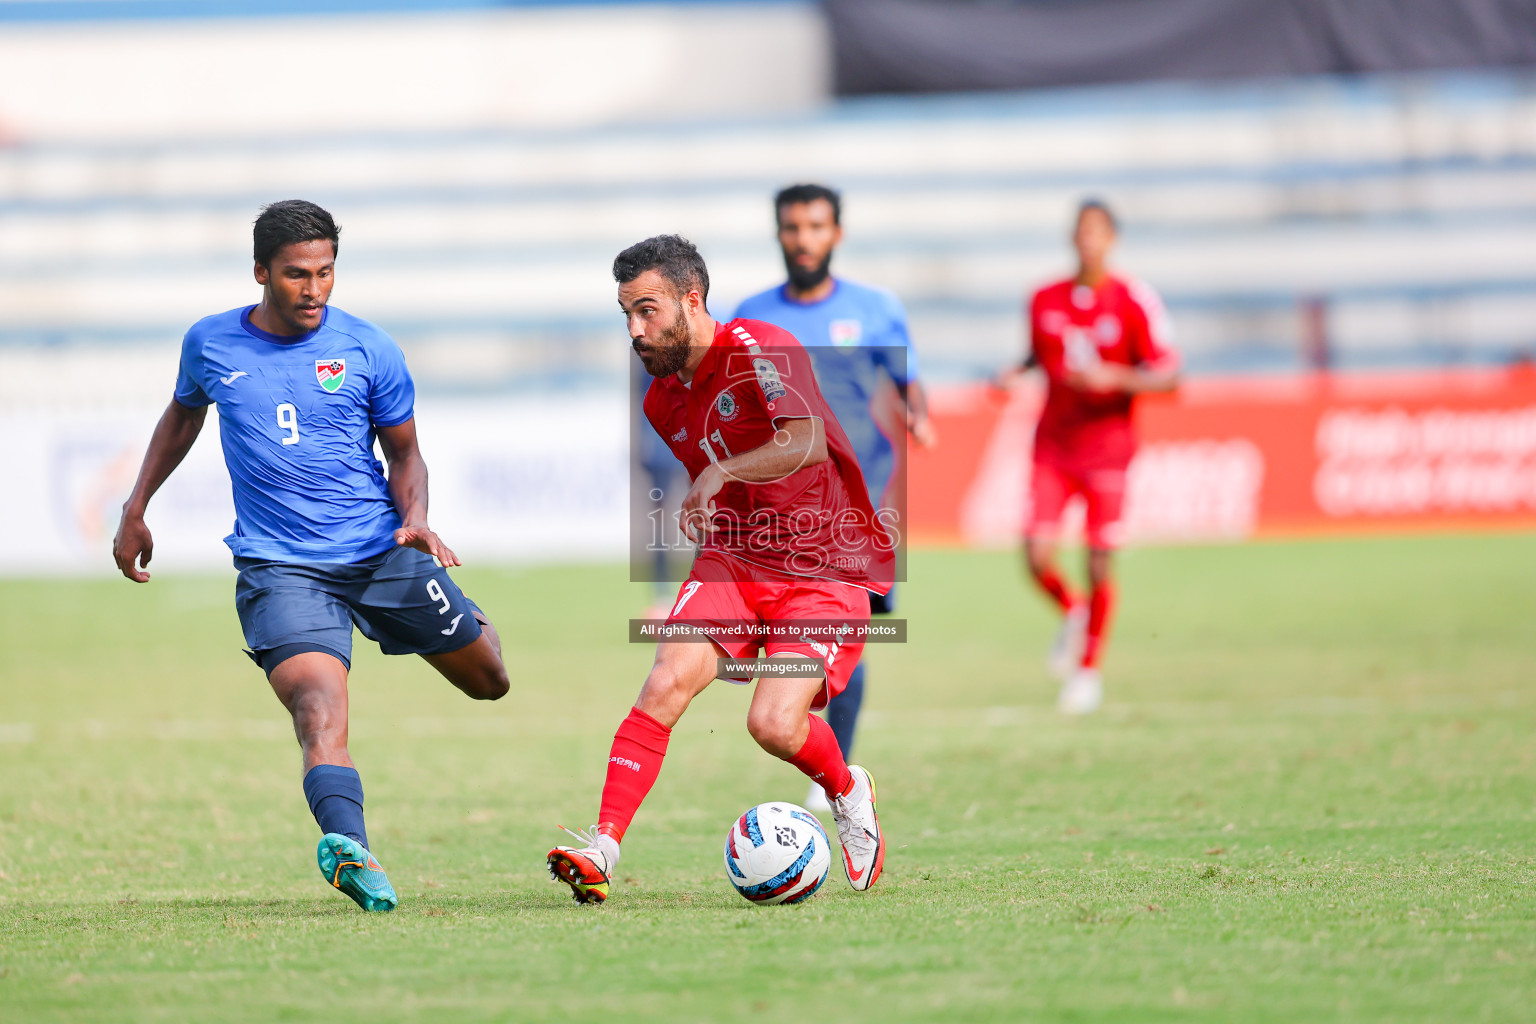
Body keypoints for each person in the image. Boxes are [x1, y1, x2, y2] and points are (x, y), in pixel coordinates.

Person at [111, 200, 510, 912]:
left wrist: (415, 519)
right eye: (297, 274)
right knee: (317, 709)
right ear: (262, 271)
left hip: (379, 554)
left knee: (490, 681)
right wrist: (136, 504)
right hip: (281, 568)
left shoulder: (369, 348)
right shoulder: (210, 343)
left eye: (326, 273)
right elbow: (183, 413)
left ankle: (465, 619)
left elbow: (407, 453)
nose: (314, 289)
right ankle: (352, 850)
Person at [546, 235, 892, 903]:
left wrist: (719, 475)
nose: (635, 331)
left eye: (647, 311)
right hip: (736, 561)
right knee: (666, 681)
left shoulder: (758, 345)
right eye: (625, 315)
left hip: (823, 568)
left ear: (692, 300)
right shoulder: (661, 401)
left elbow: (806, 439)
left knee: (772, 726)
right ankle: (603, 846)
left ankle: (847, 792)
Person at [732, 183, 934, 811]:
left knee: (847, 637)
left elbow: (908, 382)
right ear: (779, 234)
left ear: (836, 234)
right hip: (786, 511)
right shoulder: (750, 315)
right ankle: (828, 765)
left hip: (862, 504)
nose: (804, 239)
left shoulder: (876, 310)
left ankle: (834, 771)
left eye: (816, 226)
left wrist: (920, 417)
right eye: (793, 227)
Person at [1000, 199, 1178, 714]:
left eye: (1097, 232)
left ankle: (1087, 671)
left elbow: (1169, 374)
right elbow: (1039, 353)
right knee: (1035, 556)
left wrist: (1118, 377)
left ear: (1112, 239)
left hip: (1109, 450)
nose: (1088, 240)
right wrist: (1016, 370)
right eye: (1081, 231)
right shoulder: (1043, 298)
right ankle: (1073, 611)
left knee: (1100, 562)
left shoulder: (1134, 299)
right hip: (1053, 446)